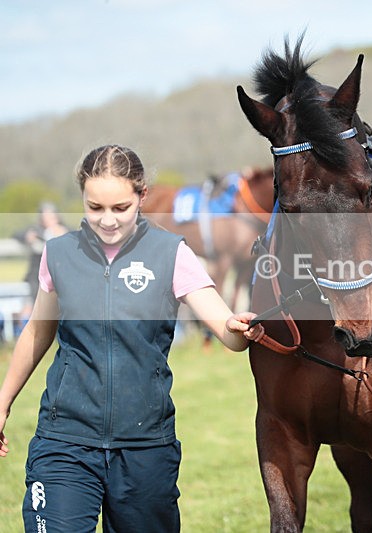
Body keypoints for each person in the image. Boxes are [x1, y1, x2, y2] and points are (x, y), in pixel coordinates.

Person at [0, 145, 265, 532]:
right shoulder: (58, 254)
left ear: (142, 196)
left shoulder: (171, 253)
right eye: (95, 208)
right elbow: (38, 332)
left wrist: (240, 328)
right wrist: (3, 401)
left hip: (145, 450)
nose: (107, 220)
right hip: (64, 442)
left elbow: (227, 329)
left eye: (120, 208)